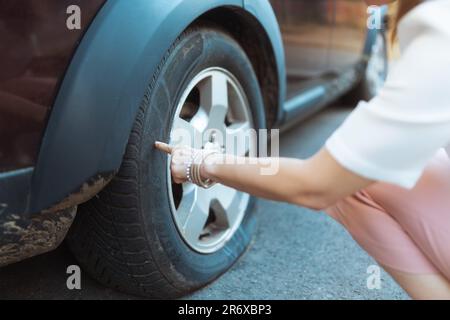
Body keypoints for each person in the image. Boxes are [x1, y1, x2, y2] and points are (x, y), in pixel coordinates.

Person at [156, 0, 450, 300]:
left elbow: (314, 185)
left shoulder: (439, 38)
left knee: (348, 181)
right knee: (370, 170)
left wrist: (201, 163)